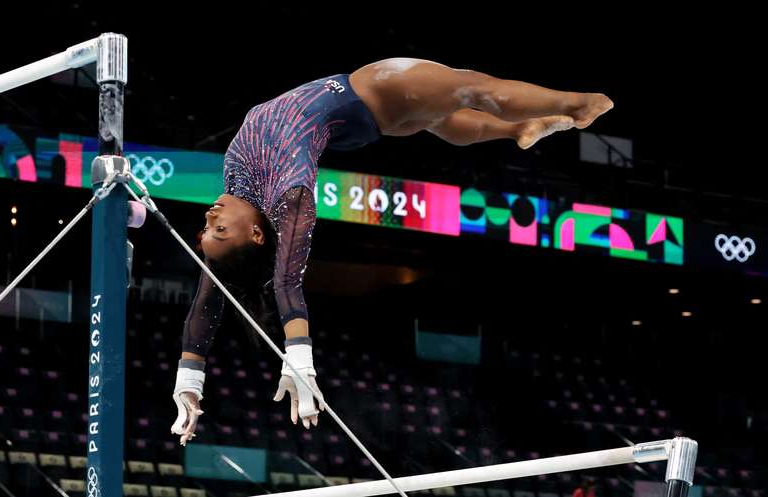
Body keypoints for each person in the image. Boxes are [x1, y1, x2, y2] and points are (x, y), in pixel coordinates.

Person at [171, 58, 614, 445]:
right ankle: (577, 103)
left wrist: (189, 382)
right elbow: (287, 282)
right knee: (473, 87)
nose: (211, 215)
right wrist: (300, 359)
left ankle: (518, 128)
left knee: (438, 120)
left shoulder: (237, 191)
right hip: (371, 89)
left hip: (359, 123)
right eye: (220, 228)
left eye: (206, 227)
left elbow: (207, 300)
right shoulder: (292, 200)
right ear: (255, 237)